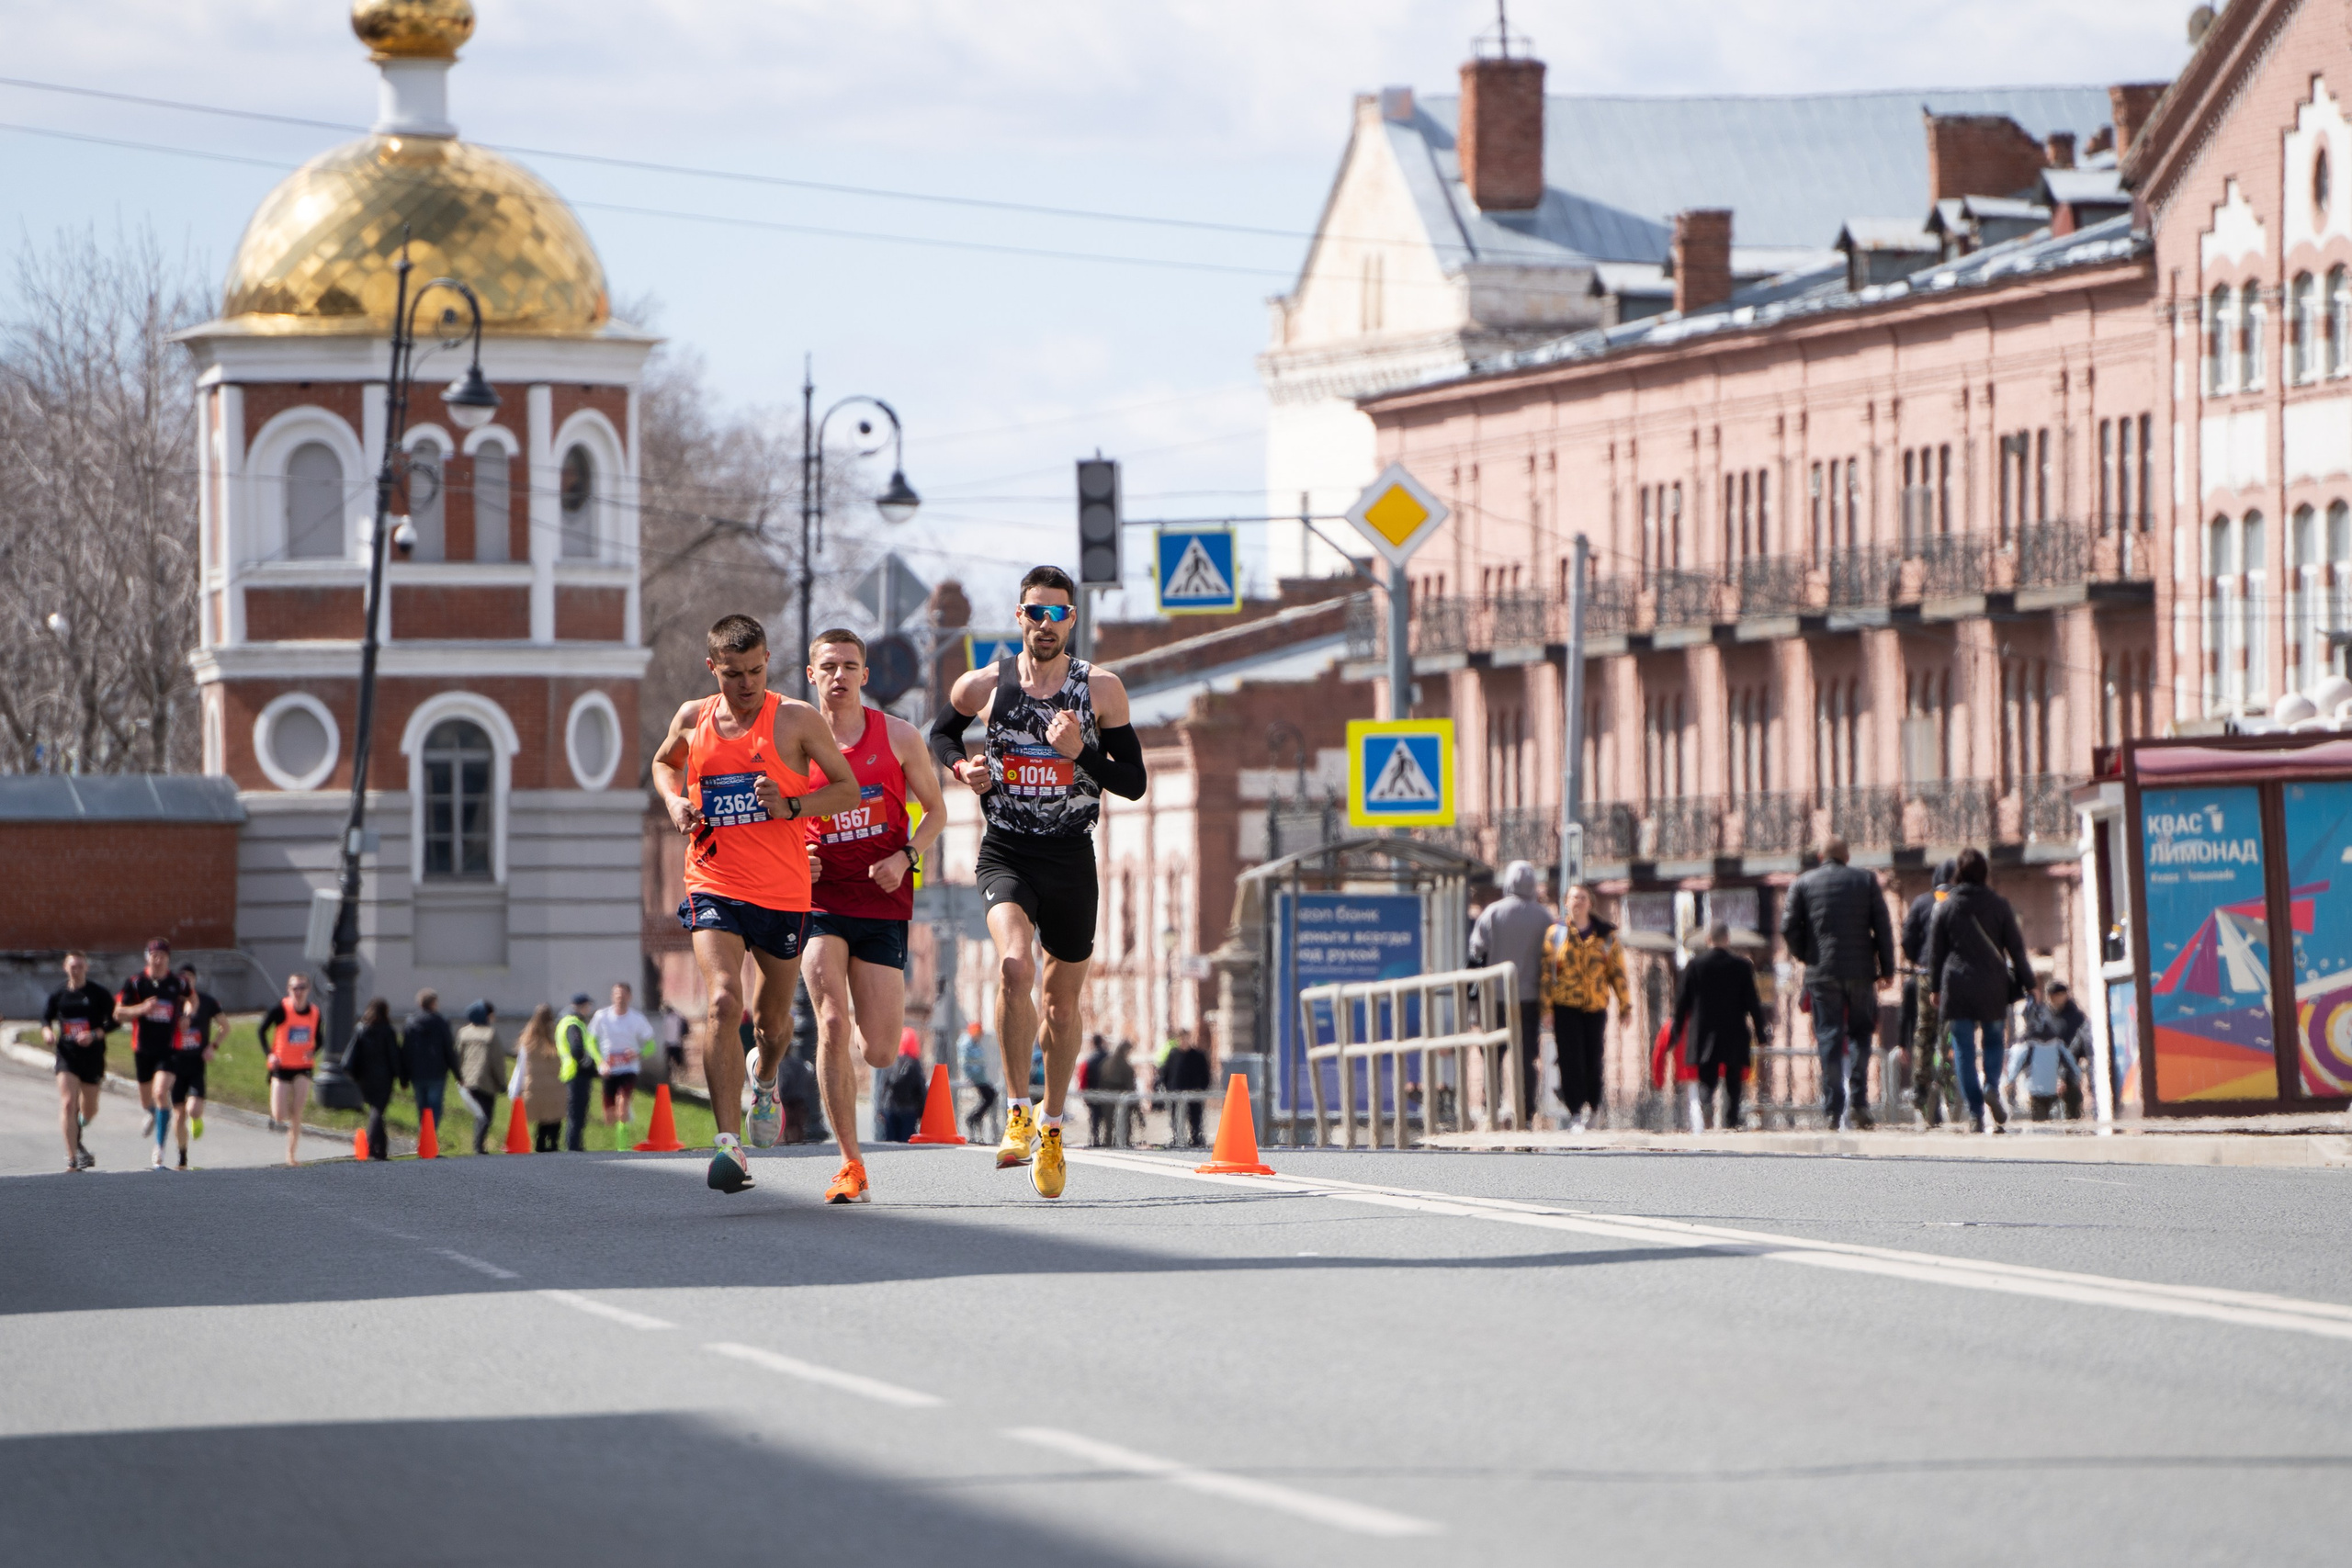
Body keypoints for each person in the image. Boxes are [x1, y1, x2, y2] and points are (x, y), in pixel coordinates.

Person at [929, 564, 1147, 1199]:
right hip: (1008, 851)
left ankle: (1053, 1123)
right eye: (1034, 612)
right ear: (1018, 616)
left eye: (1057, 613)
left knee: (1060, 1005)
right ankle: (1017, 1111)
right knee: (1014, 966)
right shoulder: (987, 684)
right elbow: (941, 732)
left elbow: (1132, 782)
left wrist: (1083, 752)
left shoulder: (1101, 690)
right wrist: (960, 765)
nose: (1044, 624)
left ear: (1071, 620)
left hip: (1071, 857)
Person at [650, 612, 861, 1194]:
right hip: (713, 878)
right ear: (711, 667)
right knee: (722, 1000)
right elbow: (663, 764)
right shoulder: (693, 719)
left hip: (782, 891)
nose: (746, 684)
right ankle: (727, 1147)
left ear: (768, 661)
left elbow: (845, 788)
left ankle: (763, 1082)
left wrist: (791, 806)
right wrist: (674, 803)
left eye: (756, 670)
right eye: (734, 673)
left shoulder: (794, 719)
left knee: (773, 1026)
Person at [799, 628, 948, 1203]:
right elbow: (772, 816)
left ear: (865, 675)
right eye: (829, 666)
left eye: (850, 666)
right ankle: (850, 1163)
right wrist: (797, 857)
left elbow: (935, 812)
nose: (840, 676)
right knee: (832, 1022)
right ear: (812, 674)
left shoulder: (901, 737)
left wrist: (907, 855)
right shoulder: (793, 743)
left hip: (884, 903)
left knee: (881, 1050)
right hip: (821, 902)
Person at [1781, 835, 1895, 1130]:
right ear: (1847, 857)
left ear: (1820, 857)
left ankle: (1833, 1107)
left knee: (1829, 1038)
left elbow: (1788, 927)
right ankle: (1859, 1101)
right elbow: (1883, 926)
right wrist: (1887, 969)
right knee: (1860, 1034)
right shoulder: (1866, 881)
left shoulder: (1803, 884)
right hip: (1860, 972)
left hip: (1822, 974)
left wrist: (1806, 954)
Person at [1922, 847, 2037, 1136]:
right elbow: (2016, 948)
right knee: (1995, 1040)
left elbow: (1936, 953)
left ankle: (1975, 1112)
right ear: (1985, 872)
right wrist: (2029, 981)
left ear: (1958, 873)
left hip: (1957, 985)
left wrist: (1935, 988)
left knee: (1962, 1049)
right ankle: (1990, 1088)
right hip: (1992, 985)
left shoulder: (1946, 906)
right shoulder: (1999, 905)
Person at [1469, 861, 1554, 1126]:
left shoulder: (1492, 913)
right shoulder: (1544, 917)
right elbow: (1551, 957)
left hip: (1494, 996)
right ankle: (1527, 1112)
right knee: (1527, 1056)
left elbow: (1476, 952)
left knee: (1493, 1053)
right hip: (1528, 998)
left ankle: (1491, 1106)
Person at [1541, 886, 1630, 1133]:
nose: (1577, 902)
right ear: (1565, 903)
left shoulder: (1605, 935)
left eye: (1582, 898)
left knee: (1593, 1058)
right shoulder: (1555, 934)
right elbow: (1547, 974)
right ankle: (1575, 1111)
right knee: (1570, 1059)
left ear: (1590, 903)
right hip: (1565, 1006)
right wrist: (1546, 1009)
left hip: (1595, 1007)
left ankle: (1594, 1107)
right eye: (1572, 898)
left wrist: (1625, 1005)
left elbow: (1617, 972)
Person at [1672, 923, 1771, 1133]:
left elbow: (1682, 1002)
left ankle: (1707, 1110)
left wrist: (1677, 1030)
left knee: (1707, 1078)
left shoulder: (1695, 965)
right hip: (1734, 1030)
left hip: (1704, 1032)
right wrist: (1761, 1033)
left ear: (1708, 939)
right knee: (1734, 1079)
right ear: (1727, 939)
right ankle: (1731, 1120)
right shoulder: (1742, 966)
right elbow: (1753, 1002)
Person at [118, 938, 191, 1170]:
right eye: (154, 955)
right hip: (143, 1049)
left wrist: (187, 1016)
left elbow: (191, 999)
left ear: (169, 958)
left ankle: (159, 1149)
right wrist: (141, 1009)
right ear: (147, 956)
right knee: (146, 1100)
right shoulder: (136, 983)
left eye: (162, 955)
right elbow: (118, 1013)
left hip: (168, 1049)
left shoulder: (177, 983)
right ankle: (154, 1114)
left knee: (161, 1092)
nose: (158, 959)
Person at [1899, 860, 1960, 1125]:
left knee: (1924, 1030)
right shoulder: (1961, 901)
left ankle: (1920, 1087)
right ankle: (1952, 1086)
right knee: (1953, 1030)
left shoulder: (1922, 902)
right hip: (1955, 976)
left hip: (1926, 974)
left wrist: (1918, 961)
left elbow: (1907, 937)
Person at [43, 951, 115, 1172]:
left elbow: (115, 1020)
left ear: (86, 968)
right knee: (67, 1103)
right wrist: (47, 1032)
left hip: (92, 1056)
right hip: (67, 1055)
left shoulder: (98, 994)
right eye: (72, 966)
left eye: (80, 966)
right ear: (66, 968)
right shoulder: (59, 995)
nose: (76, 970)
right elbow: (46, 1017)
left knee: (89, 1110)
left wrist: (93, 1035)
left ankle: (79, 1133)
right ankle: (72, 1157)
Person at [258, 974, 322, 1167]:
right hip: (281, 1067)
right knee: (279, 1115)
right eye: (295, 988)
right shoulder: (281, 1010)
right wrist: (270, 1054)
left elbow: (321, 1038)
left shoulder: (314, 1013)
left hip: (303, 1067)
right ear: (289, 989)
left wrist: (313, 1051)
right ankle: (278, 1106)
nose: (299, 992)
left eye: (302, 987)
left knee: (297, 1112)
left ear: (308, 990)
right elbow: (261, 1030)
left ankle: (291, 1156)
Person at [2004, 979, 2090, 1122]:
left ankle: (2073, 1132)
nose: (2052, 999)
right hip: (2046, 1071)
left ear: (2064, 995)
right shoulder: (2044, 1015)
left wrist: (2065, 1074)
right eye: (2049, 995)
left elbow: (2077, 1046)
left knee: (2072, 1110)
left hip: (2067, 1071)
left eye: (2056, 995)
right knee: (2041, 1112)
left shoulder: (2075, 1017)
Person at [166, 964, 222, 1168]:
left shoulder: (206, 1002)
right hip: (176, 1065)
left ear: (195, 979)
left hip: (197, 1064)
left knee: (194, 1110)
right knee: (179, 1113)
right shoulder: (172, 1005)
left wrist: (212, 1046)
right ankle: (182, 1157)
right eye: (182, 978)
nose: (186, 981)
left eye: (190, 977)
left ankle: (196, 1120)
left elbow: (225, 1027)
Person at [590, 982, 657, 1144]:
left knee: (622, 1104)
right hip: (609, 1069)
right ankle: (609, 1145)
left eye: (623, 995)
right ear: (612, 996)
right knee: (609, 1114)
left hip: (628, 1069)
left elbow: (651, 1045)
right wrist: (600, 1061)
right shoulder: (602, 1016)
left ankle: (622, 1146)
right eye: (617, 995)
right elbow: (590, 1040)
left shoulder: (637, 1018)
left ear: (629, 997)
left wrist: (638, 1054)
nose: (620, 998)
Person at [345, 998, 403, 1161]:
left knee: (375, 1110)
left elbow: (351, 1055)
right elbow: (394, 1056)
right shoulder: (388, 1031)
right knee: (378, 1110)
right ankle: (372, 1146)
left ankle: (381, 1148)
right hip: (384, 1078)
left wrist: (355, 1075)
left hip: (365, 1077)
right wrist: (402, 1077)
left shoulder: (361, 1029)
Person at [401, 989, 457, 1149]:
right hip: (437, 1071)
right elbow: (448, 1049)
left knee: (422, 1106)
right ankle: (429, 1137)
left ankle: (423, 1136)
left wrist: (404, 1077)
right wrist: (457, 1073)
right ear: (433, 1003)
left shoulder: (410, 1023)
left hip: (417, 1072)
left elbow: (406, 1051)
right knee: (435, 1107)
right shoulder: (441, 1022)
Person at [454, 1000, 507, 1155]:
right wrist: (502, 1082)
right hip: (485, 1080)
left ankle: (477, 1145)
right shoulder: (490, 1034)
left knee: (478, 1113)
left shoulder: (463, 1033)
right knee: (486, 1115)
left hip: (467, 1079)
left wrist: (459, 1076)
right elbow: (497, 1061)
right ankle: (479, 1145)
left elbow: (458, 1056)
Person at [514, 1004, 568, 1152]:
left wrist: (516, 1088)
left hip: (535, 1086)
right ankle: (554, 1143)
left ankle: (540, 1143)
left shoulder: (528, 1038)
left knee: (542, 1117)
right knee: (555, 1116)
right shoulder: (556, 1036)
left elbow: (521, 1065)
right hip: (555, 1085)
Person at [556, 994, 603, 1152]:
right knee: (577, 1114)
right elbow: (577, 1050)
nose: (589, 1009)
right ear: (581, 1006)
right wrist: (589, 1065)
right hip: (577, 1074)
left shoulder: (569, 1021)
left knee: (576, 1113)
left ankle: (574, 1145)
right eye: (588, 1006)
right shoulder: (573, 1023)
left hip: (573, 1073)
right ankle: (573, 1147)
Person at [876, 1034, 929, 1143]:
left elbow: (883, 1086)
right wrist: (923, 1110)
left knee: (889, 1142)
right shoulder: (914, 1063)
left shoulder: (891, 1061)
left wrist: (880, 1107)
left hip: (889, 1108)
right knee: (905, 1143)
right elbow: (920, 1088)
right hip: (908, 1110)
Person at [1164, 1030, 1213, 1146]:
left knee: (1196, 1118)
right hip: (1176, 1091)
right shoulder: (1173, 1054)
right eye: (1181, 1039)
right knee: (1176, 1117)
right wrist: (1168, 1088)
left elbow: (1205, 1073)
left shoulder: (1198, 1055)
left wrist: (1203, 1088)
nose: (1183, 1042)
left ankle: (1196, 1139)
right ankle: (1178, 1138)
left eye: (1186, 1039)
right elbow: (1166, 1072)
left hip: (1194, 1091)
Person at [957, 1021, 999, 1142]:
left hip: (980, 1076)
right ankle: (973, 1118)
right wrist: (970, 1074)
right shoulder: (967, 1044)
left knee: (991, 1095)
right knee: (990, 1095)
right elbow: (965, 1061)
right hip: (975, 1077)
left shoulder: (975, 1044)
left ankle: (975, 1117)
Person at [1097, 1038, 1139, 1146]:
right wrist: (1136, 1108)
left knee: (1109, 1127)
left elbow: (1100, 1080)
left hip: (1107, 1099)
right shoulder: (1126, 1067)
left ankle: (1108, 1145)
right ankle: (1123, 1145)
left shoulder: (1106, 1063)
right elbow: (1131, 1087)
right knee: (1125, 1126)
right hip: (1122, 1100)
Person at [1080, 1033, 1113, 1145]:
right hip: (1108, 1092)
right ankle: (1109, 1140)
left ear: (1093, 1043)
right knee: (1109, 1118)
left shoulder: (1089, 1060)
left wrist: (1084, 1092)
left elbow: (1083, 1076)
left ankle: (1095, 1140)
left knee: (1095, 1118)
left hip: (1093, 1092)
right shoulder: (1109, 1057)